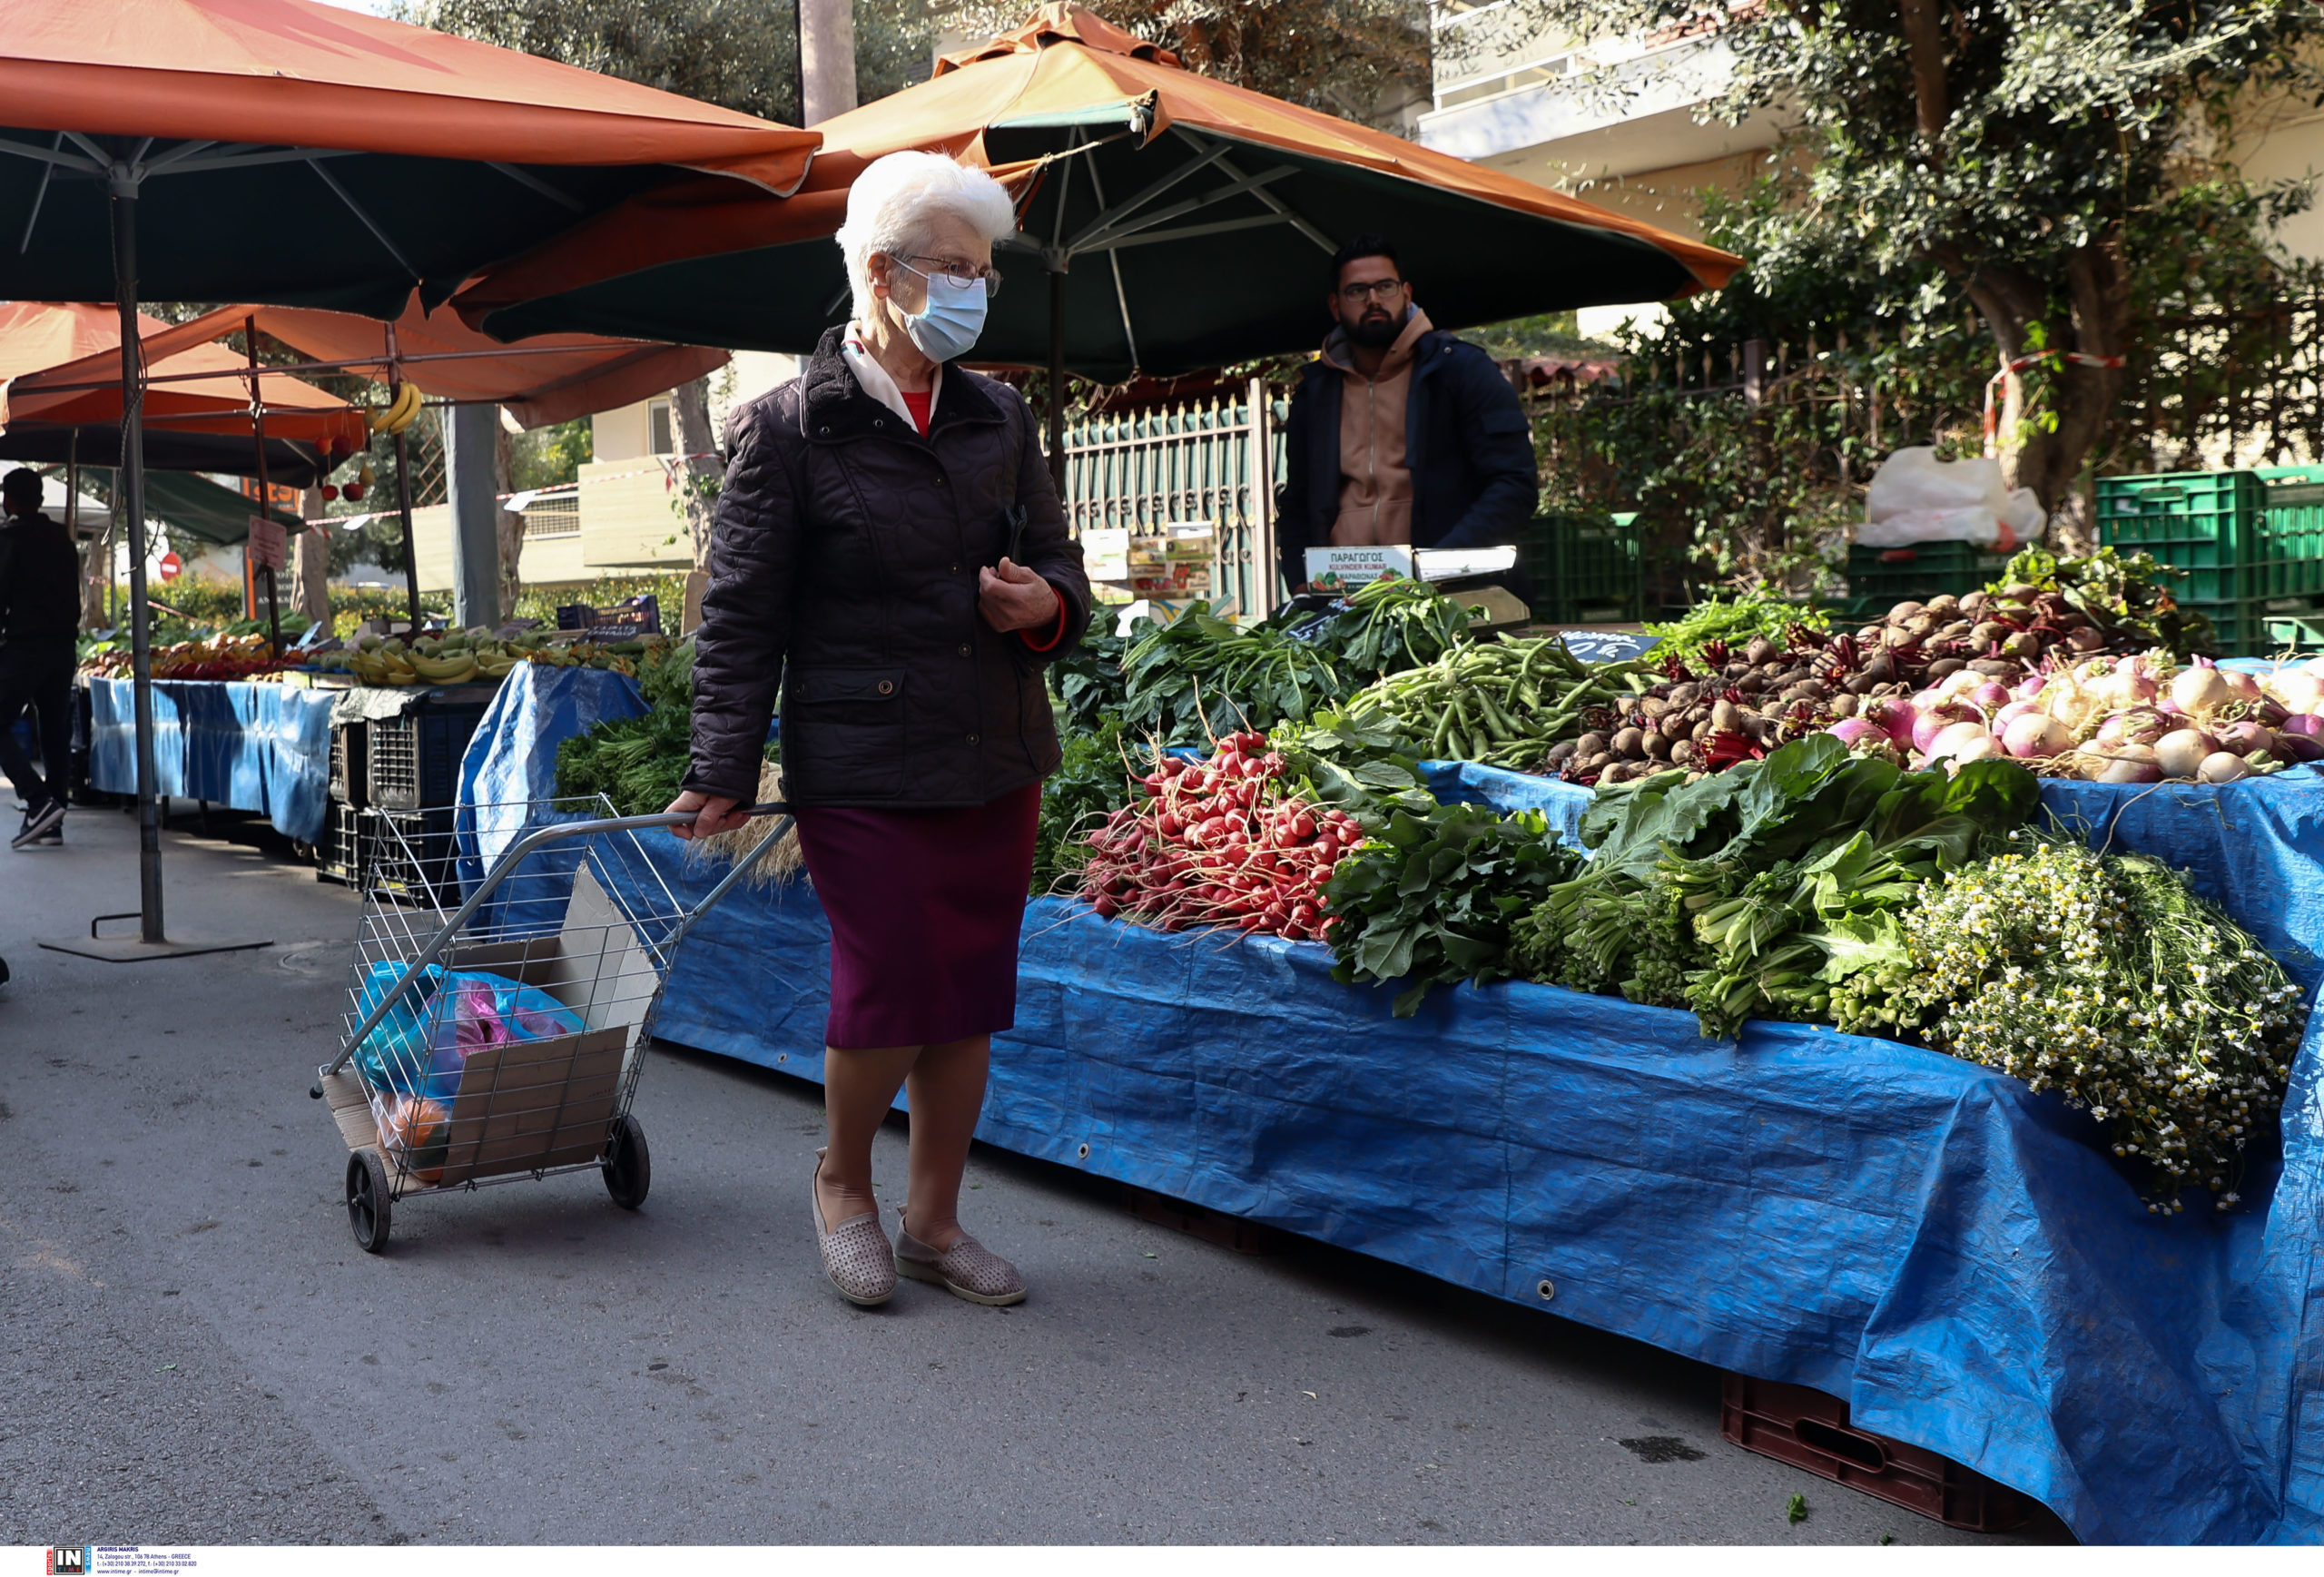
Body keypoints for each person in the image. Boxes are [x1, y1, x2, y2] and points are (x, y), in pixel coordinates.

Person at [665, 152, 1090, 1311]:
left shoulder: (1000, 415)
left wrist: (1045, 605)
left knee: (968, 989)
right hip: (858, 758)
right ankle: (843, 1186)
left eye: (983, 274)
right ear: (878, 273)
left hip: (992, 745)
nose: (973, 293)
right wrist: (720, 767)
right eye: (953, 269)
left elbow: (1063, 567)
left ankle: (934, 1223)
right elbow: (742, 616)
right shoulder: (791, 429)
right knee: (892, 977)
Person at [1275, 233, 1540, 593]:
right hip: (1341, 598)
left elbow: (1514, 484)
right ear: (1336, 306)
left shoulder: (1461, 370)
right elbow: (1297, 502)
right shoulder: (1314, 391)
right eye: (1357, 291)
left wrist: (1437, 568)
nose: (1373, 300)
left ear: (1406, 293)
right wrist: (1299, 580)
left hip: (1448, 597)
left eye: (1385, 286)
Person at [0, 468, 79, 849]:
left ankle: (38, 800)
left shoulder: (11, 539)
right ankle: (54, 819)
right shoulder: (61, 538)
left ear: (9, 500)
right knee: (54, 733)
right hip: (64, 648)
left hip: (26, 648)